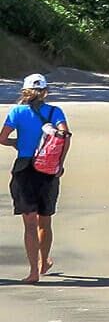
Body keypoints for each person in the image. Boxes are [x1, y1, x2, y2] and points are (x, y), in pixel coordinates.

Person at [0, 73, 72, 283]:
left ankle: (33, 272)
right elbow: (65, 136)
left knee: (29, 223)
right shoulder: (55, 111)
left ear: (25, 91)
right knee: (45, 220)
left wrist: (16, 143)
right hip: (48, 168)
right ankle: (43, 263)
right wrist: (60, 163)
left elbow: (2, 138)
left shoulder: (17, 111)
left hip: (24, 168)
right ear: (45, 92)